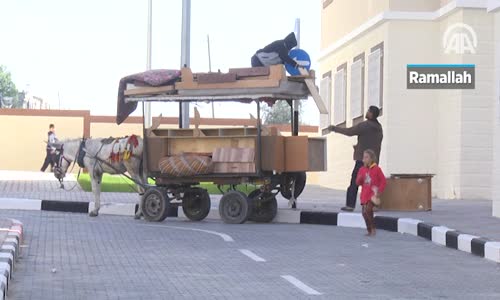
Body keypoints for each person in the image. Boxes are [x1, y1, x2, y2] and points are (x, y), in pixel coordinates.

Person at [328, 105, 383, 212]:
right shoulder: (379, 128)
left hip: (362, 160)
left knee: (355, 182)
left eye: (368, 111)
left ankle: (350, 205)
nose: (366, 112)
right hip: (374, 161)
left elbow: (349, 132)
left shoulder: (365, 125)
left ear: (371, 114)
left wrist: (334, 128)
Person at [356, 149, 386, 236]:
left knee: (368, 209)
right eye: (363, 157)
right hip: (364, 194)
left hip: (372, 195)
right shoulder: (361, 169)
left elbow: (383, 181)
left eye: (366, 157)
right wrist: (360, 178)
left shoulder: (377, 169)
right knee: (364, 213)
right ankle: (369, 229)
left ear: (371, 158)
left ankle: (373, 229)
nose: (364, 159)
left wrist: (379, 191)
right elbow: (357, 183)